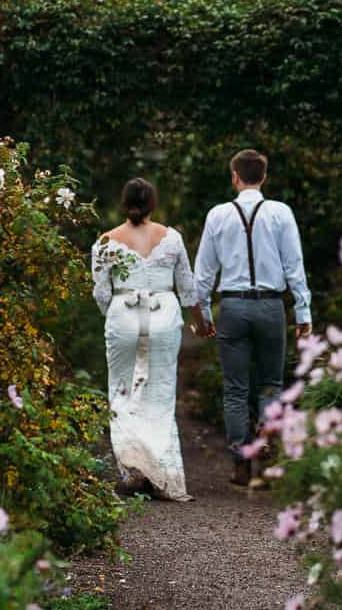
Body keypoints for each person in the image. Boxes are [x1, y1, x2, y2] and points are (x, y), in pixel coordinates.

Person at [194, 149, 312, 487]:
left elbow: (204, 272)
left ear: (234, 176)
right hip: (271, 307)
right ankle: (268, 458)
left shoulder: (217, 215)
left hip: (232, 307)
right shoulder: (281, 213)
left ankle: (240, 463)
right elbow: (295, 266)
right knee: (271, 384)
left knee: (234, 389)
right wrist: (303, 310)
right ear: (264, 176)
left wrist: (202, 314)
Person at [91, 177, 210, 501]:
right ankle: (161, 474)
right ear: (154, 204)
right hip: (163, 316)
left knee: (122, 390)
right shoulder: (171, 238)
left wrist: (117, 317)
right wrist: (200, 322)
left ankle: (132, 470)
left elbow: (101, 293)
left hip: (124, 317)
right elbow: (187, 287)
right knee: (159, 392)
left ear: (123, 202)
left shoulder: (105, 241)